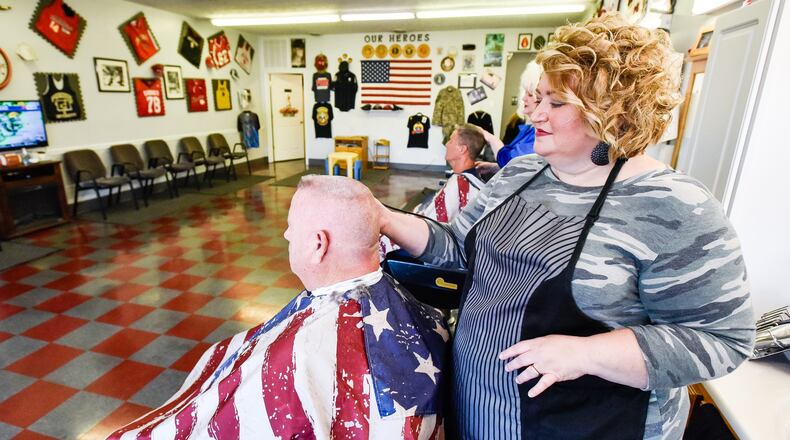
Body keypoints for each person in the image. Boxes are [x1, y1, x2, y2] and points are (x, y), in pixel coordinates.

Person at [376, 13, 754, 439]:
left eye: (555, 104)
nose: (535, 114)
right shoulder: (520, 174)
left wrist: (586, 354)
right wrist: (385, 219)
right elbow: (458, 249)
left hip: (592, 426)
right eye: (538, 98)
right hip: (481, 412)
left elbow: (723, 340)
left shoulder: (676, 208)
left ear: (613, 115)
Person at [108, 176, 449, 439]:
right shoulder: (410, 306)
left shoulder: (303, 353)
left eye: (292, 227)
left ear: (318, 244)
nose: (286, 235)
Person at [380, 125, 486, 258]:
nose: (446, 144)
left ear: (462, 149)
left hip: (436, 247)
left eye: (451, 140)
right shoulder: (466, 179)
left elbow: (430, 227)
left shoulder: (460, 185)